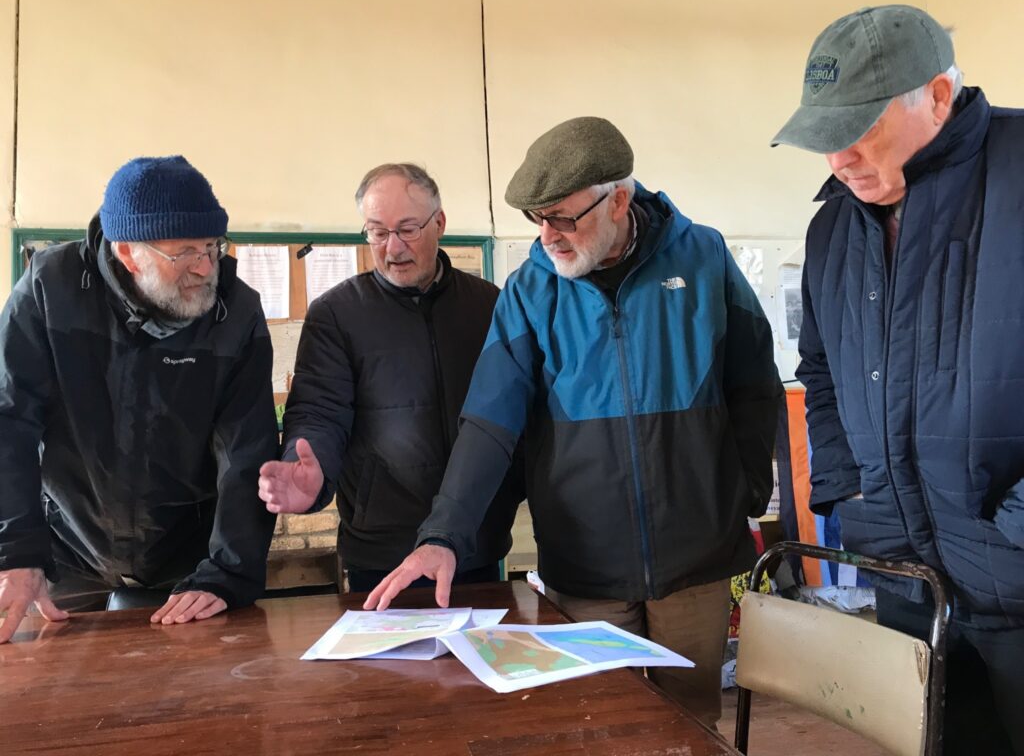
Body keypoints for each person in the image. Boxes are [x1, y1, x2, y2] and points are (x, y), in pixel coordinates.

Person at [365, 118, 782, 726]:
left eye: (563, 217)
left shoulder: (703, 258)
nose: (548, 235)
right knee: (598, 725)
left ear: (618, 198)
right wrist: (443, 534)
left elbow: (754, 378)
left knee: (691, 725)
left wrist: (746, 488)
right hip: (585, 568)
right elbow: (490, 422)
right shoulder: (532, 289)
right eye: (538, 219)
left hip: (697, 555)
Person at [773, 4, 1024, 754]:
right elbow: (818, 371)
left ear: (938, 97)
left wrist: (1014, 531)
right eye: (824, 139)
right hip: (909, 584)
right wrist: (851, 491)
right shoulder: (833, 230)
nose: (838, 160)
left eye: (859, 129)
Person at [0, 155, 279, 643]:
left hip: (188, 565)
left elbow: (247, 452)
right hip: (67, 553)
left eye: (213, 247)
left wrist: (229, 574)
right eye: (185, 252)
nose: (205, 268)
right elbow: (10, 422)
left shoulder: (237, 312)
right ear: (128, 252)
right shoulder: (50, 289)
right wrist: (17, 552)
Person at [257, 163, 521, 593]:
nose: (393, 247)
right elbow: (319, 415)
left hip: (475, 544)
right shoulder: (337, 315)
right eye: (378, 232)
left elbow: (513, 414)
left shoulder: (488, 306)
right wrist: (311, 474)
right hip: (381, 556)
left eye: (408, 230)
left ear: (439, 224)